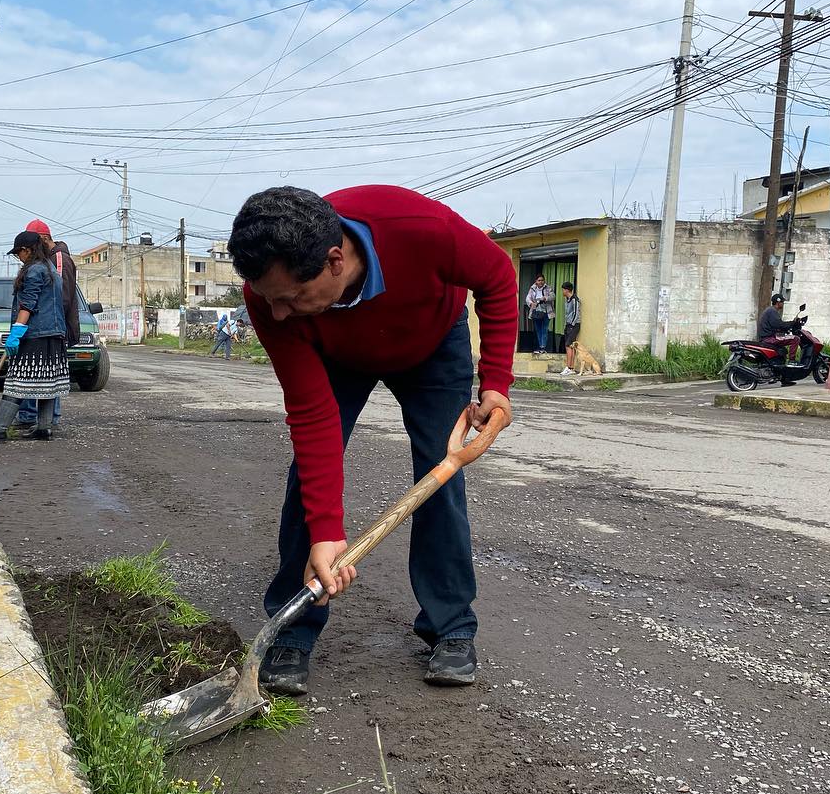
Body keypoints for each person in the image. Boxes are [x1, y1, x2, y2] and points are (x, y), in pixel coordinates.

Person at [228, 185, 516, 696]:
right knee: (308, 479)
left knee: (439, 475)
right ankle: (292, 631)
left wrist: (494, 383)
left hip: (431, 340)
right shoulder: (271, 300)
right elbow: (311, 414)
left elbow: (496, 277)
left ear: (335, 261)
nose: (277, 313)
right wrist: (327, 531)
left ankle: (450, 628)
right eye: (270, 300)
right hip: (334, 354)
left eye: (291, 298)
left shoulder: (420, 228)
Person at [0, 231, 70, 444]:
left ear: (28, 250)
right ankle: (43, 428)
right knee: (47, 383)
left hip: (35, 335)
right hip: (54, 335)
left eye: (19, 253)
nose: (19, 257)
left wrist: (16, 332)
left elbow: (28, 304)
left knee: (17, 382)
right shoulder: (51, 269)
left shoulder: (34, 271)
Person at [17, 219, 78, 430]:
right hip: (42, 326)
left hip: (51, 328)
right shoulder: (43, 262)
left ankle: (48, 420)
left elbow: (57, 296)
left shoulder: (58, 259)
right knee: (44, 374)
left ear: (43, 239)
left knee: (49, 375)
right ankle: (35, 420)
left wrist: (49, 327)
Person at [756, 293, 797, 363]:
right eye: (782, 302)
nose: (783, 304)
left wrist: (787, 329)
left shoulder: (771, 310)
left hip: (770, 335)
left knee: (788, 337)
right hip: (769, 338)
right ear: (778, 302)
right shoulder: (772, 311)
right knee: (796, 338)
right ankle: (792, 361)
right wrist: (793, 323)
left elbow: (777, 326)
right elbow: (780, 325)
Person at [524, 273, 553, 354]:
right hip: (536, 312)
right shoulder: (532, 288)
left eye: (542, 280)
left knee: (544, 330)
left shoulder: (548, 288)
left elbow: (553, 296)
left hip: (546, 312)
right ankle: (540, 347)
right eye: (539, 280)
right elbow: (528, 298)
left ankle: (543, 348)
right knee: (538, 330)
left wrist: (545, 298)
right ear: (536, 281)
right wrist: (531, 303)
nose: (541, 282)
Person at [559, 281, 581, 375]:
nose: (562, 292)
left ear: (567, 290)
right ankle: (570, 368)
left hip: (574, 325)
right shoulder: (567, 300)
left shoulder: (574, 299)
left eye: (563, 290)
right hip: (568, 324)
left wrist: (572, 324)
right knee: (569, 346)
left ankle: (569, 367)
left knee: (569, 346)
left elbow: (576, 313)